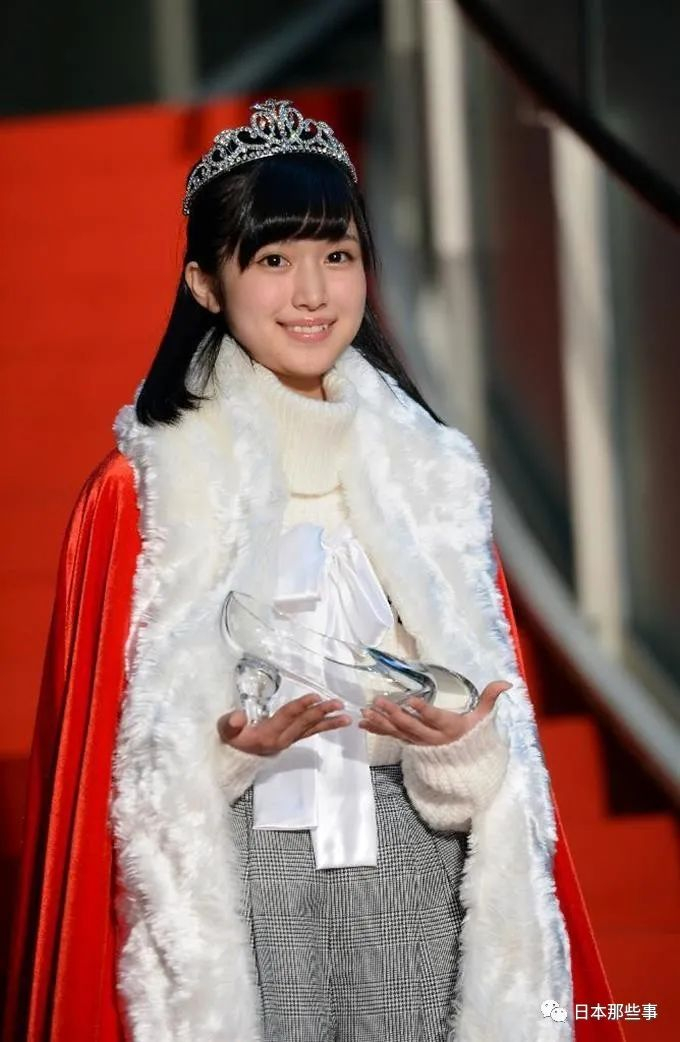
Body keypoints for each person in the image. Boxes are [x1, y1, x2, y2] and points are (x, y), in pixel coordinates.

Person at [3, 99, 622, 1042]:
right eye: (271, 260)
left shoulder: (432, 481)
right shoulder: (145, 494)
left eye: (337, 255)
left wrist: (455, 744)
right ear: (206, 283)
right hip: (243, 895)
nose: (312, 293)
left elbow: (494, 788)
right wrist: (223, 752)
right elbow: (112, 788)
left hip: (421, 882)